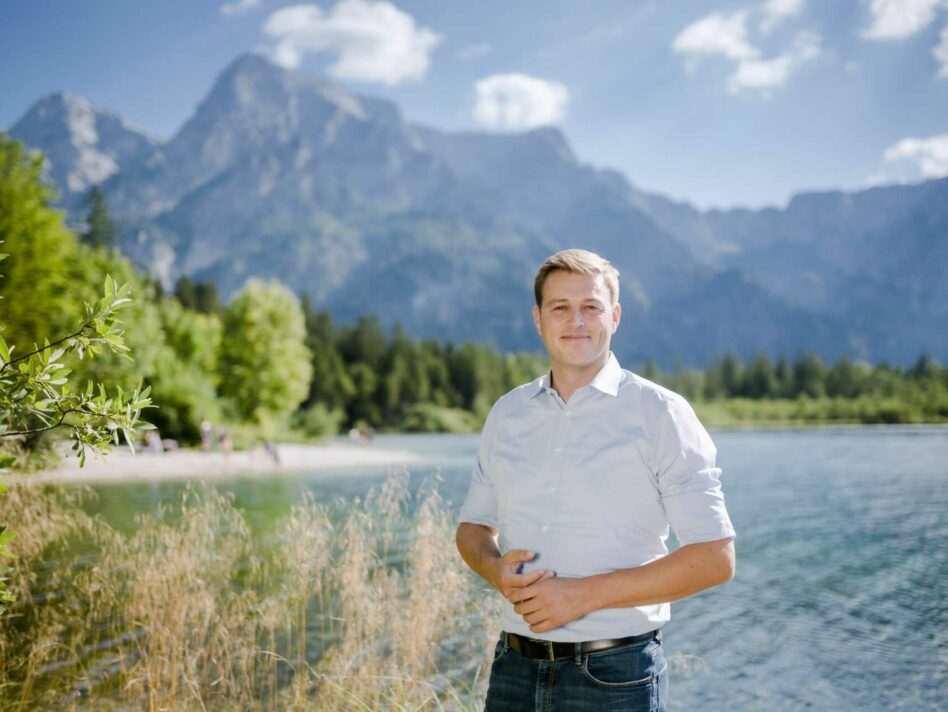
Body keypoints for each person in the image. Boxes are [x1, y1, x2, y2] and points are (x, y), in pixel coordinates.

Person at [456, 249, 736, 711]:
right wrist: (495, 571)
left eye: (591, 306)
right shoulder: (507, 414)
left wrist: (582, 596)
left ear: (616, 316)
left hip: (615, 677)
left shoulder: (661, 413)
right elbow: (472, 530)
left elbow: (715, 557)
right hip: (513, 669)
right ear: (538, 318)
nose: (576, 321)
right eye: (560, 307)